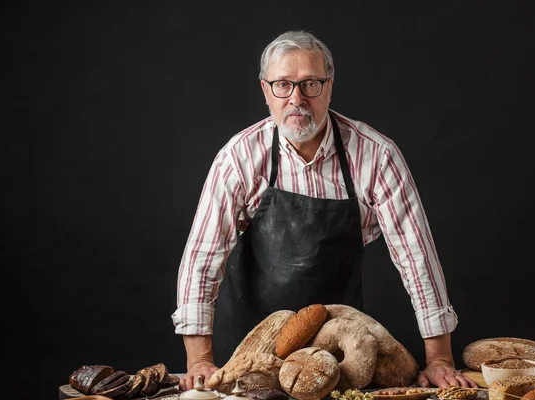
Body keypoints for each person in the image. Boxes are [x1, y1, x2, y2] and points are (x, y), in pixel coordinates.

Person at [172, 30, 476, 390]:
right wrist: (199, 360)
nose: (296, 99)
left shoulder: (376, 156)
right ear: (265, 90)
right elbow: (202, 259)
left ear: (329, 86)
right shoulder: (238, 158)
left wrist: (439, 359)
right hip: (248, 354)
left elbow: (417, 258)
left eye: (310, 84)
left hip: (341, 357)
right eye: (283, 85)